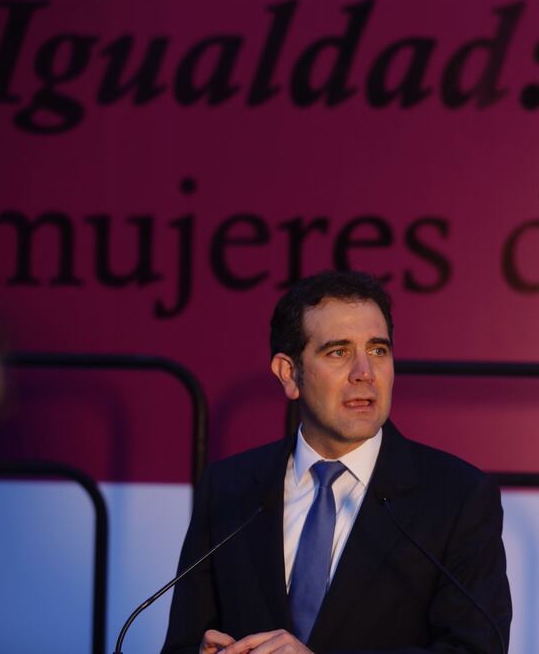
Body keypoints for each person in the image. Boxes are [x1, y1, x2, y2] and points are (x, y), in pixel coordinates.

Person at [163, 271, 512, 654]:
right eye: (339, 352)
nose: (365, 373)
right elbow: (181, 643)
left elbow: (476, 650)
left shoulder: (456, 496)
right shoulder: (229, 488)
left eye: (378, 350)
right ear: (289, 374)